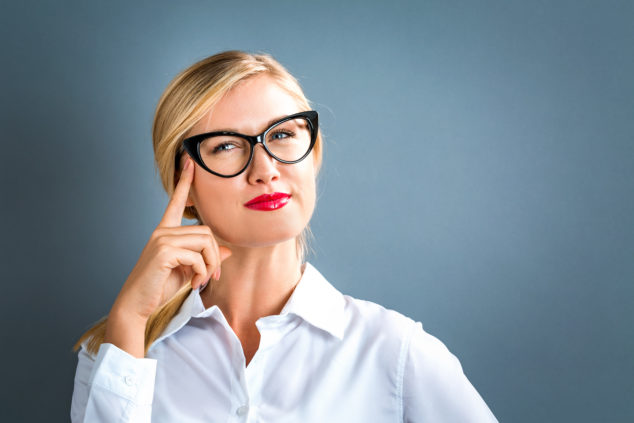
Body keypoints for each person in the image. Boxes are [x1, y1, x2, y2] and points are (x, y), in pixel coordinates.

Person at [70, 50, 498, 422]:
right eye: (225, 146)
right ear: (184, 186)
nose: (265, 169)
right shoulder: (117, 354)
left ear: (312, 154)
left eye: (283, 135)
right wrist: (128, 322)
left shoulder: (397, 353)